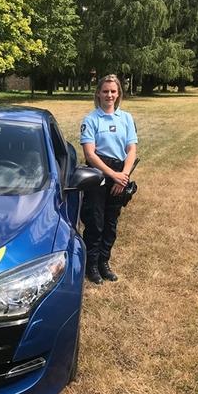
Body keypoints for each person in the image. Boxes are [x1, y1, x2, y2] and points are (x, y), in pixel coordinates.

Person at [79, 74, 138, 284]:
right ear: (98, 93)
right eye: (105, 91)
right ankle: (91, 266)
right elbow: (90, 155)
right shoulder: (91, 120)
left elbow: (131, 149)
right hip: (98, 174)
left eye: (113, 91)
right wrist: (112, 175)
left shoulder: (127, 119)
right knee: (95, 222)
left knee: (111, 222)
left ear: (119, 93)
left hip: (120, 172)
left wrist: (124, 176)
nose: (109, 95)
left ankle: (104, 262)